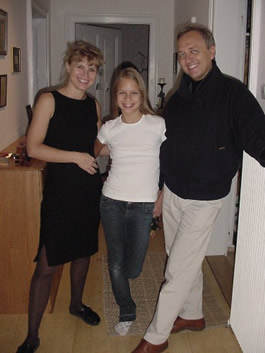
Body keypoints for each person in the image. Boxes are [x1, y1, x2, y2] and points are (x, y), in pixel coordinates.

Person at [132, 23, 265, 353]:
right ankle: (192, 315)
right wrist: (162, 189)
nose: (187, 58)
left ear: (212, 51)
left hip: (205, 197)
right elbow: (169, 147)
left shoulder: (234, 95)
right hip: (175, 191)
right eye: (181, 54)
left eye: (194, 50)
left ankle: (156, 337)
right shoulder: (178, 99)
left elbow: (258, 138)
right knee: (179, 258)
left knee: (177, 269)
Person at [16, 40, 104, 353]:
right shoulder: (48, 100)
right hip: (60, 193)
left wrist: (115, 145)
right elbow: (34, 147)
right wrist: (76, 158)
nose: (85, 73)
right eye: (80, 66)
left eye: (92, 68)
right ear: (68, 65)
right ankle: (32, 335)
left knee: (83, 253)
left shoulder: (92, 104)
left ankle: (76, 304)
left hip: (88, 190)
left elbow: (92, 146)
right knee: (46, 265)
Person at [94, 67, 166, 336]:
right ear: (115, 96)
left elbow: (171, 161)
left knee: (133, 267)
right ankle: (127, 310)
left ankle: (126, 283)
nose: (127, 98)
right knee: (115, 262)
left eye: (133, 92)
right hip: (111, 201)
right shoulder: (110, 127)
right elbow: (93, 152)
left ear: (141, 94)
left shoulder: (157, 124)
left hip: (144, 205)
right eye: (122, 92)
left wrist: (163, 195)